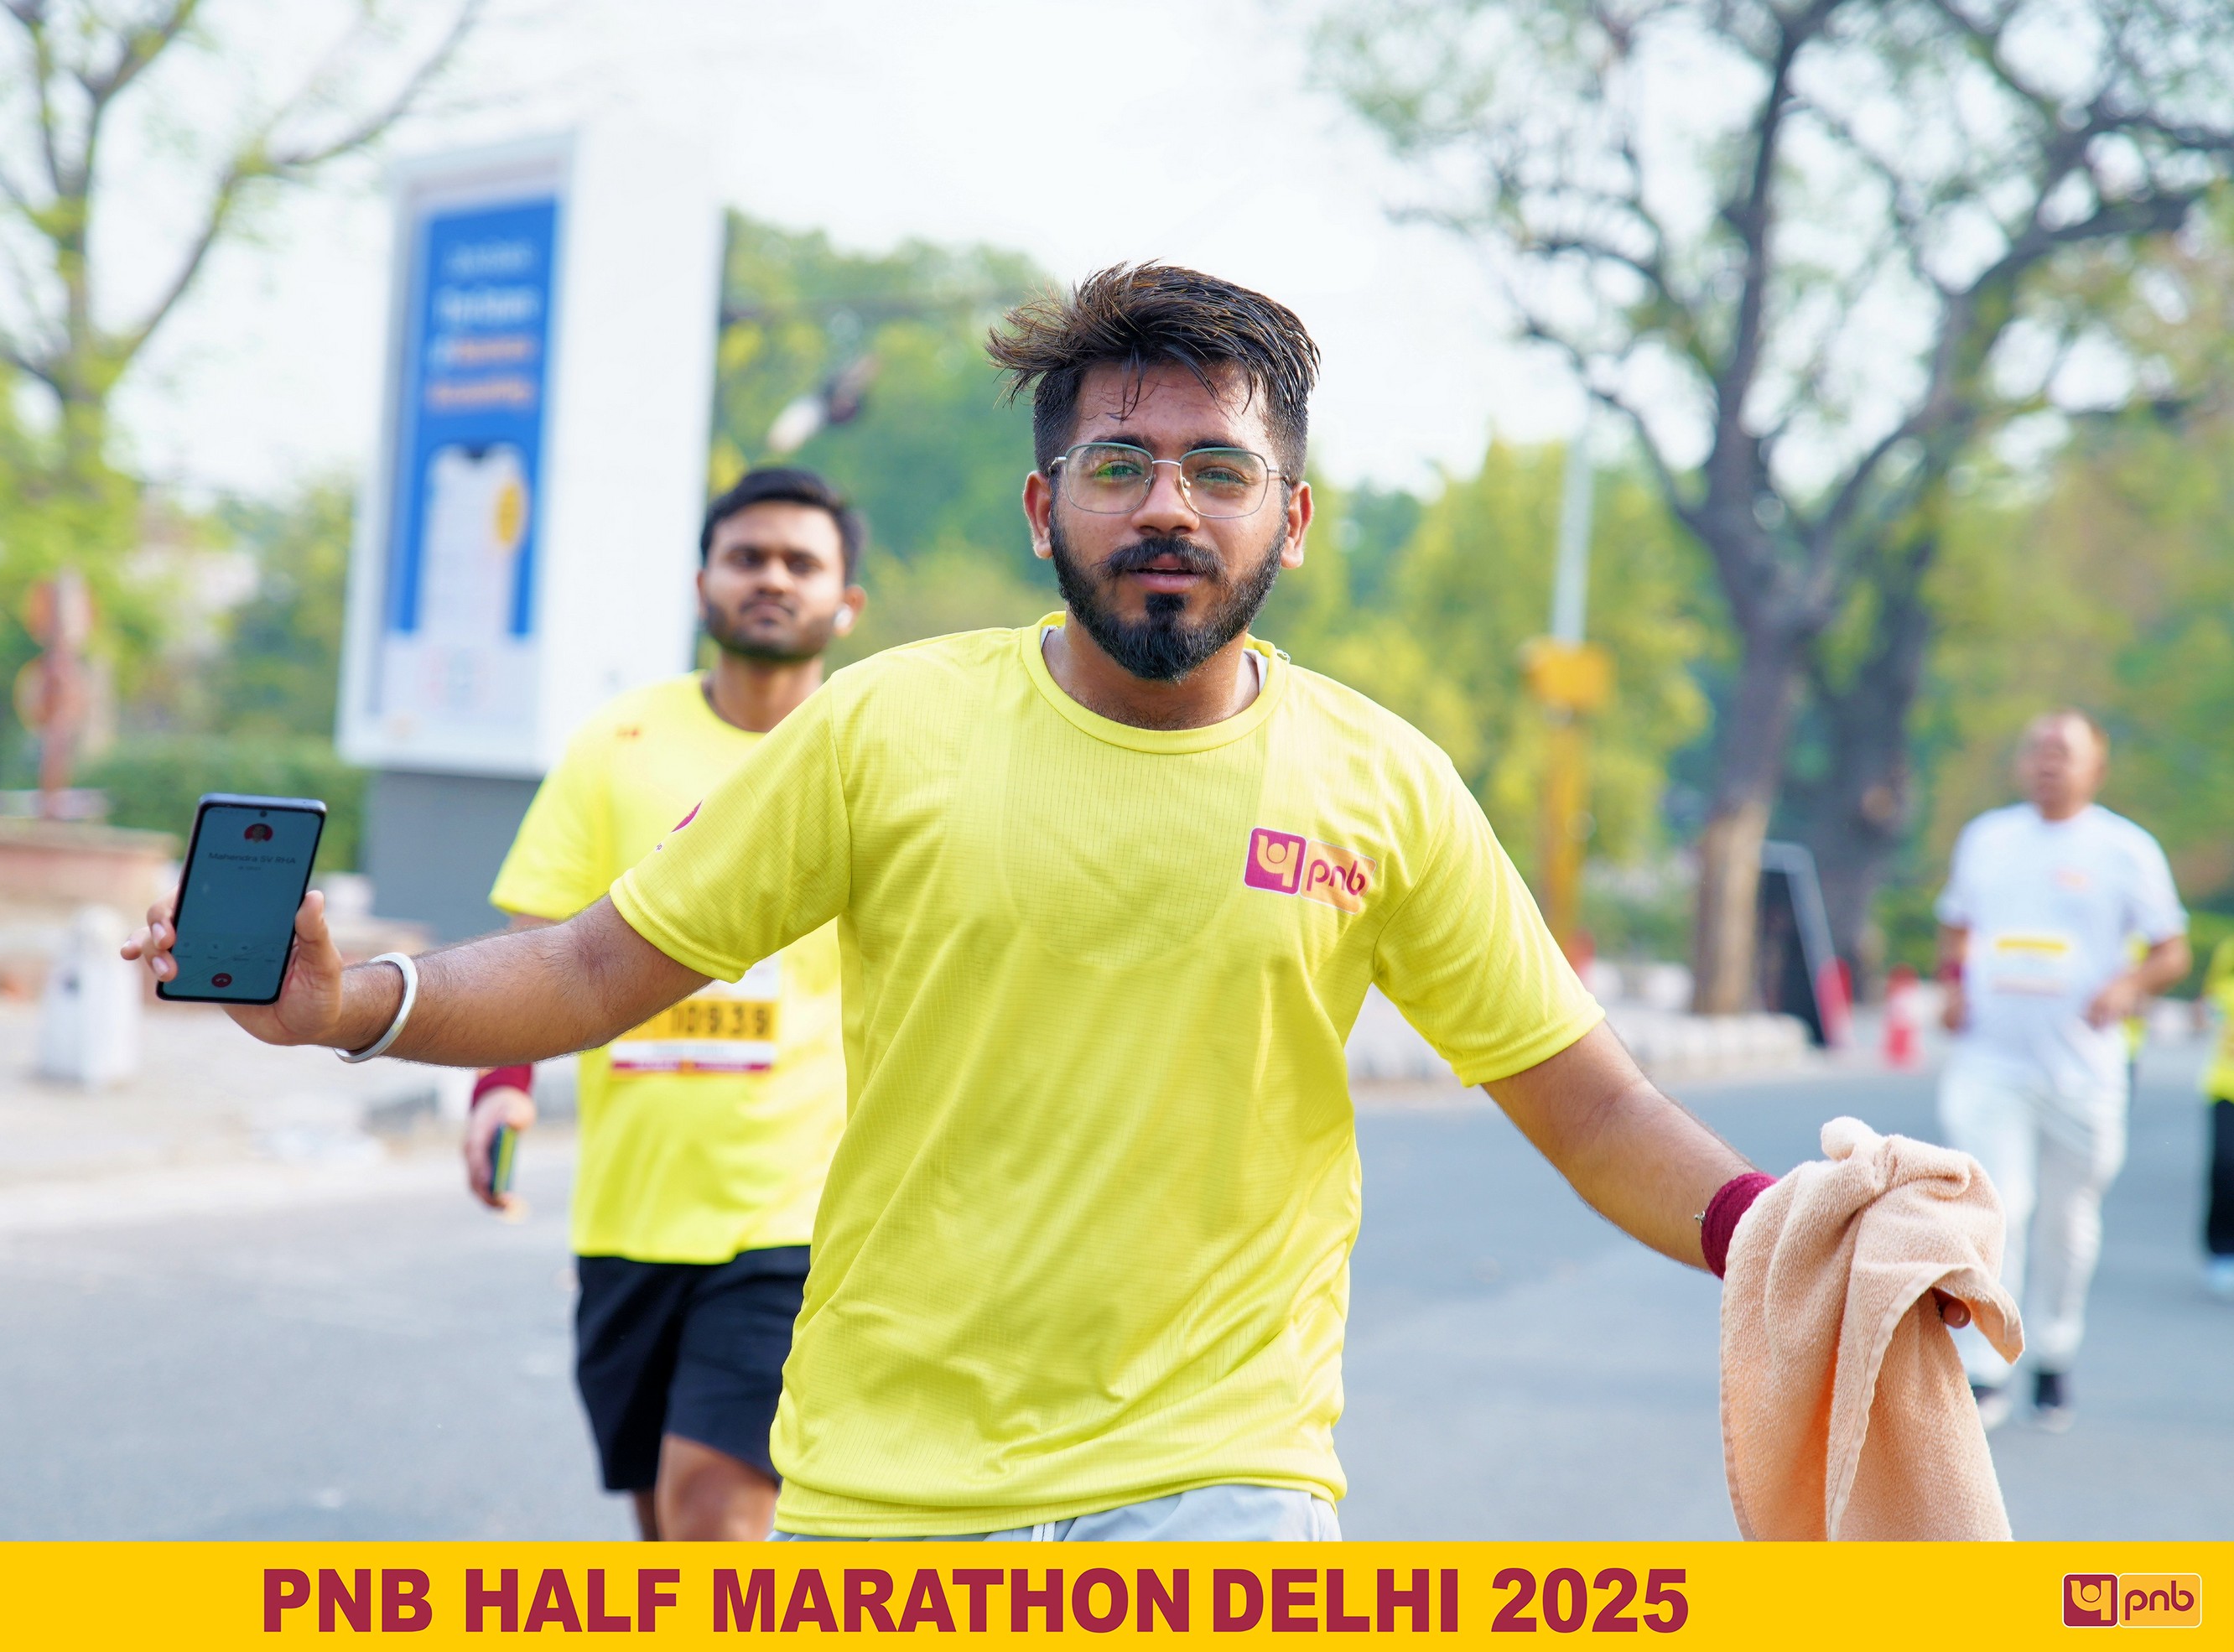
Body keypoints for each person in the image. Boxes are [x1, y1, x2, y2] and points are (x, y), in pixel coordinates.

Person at [126, 263, 1967, 1540]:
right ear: (1043, 506)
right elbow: (605, 961)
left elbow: (1587, 1105)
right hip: (882, 1492)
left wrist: (1784, 1229)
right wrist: (350, 1001)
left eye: (1220, 470)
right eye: (1121, 465)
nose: (1169, 506)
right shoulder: (886, 729)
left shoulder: (1382, 783)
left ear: (1291, 520)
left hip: (1223, 1480)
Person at [465, 465, 866, 1540]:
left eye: (800, 562)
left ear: (845, 602)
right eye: (747, 557)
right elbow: (540, 937)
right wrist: (502, 1082)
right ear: (703, 584)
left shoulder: (869, 751)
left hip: (797, 1214)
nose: (771, 578)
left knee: (715, 1511)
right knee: (663, 1526)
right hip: (630, 1215)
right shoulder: (619, 742)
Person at [1935, 710, 2191, 1431]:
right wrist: (1953, 986)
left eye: (2063, 751)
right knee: (1998, 1208)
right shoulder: (1987, 839)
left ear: (2095, 768)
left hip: (2082, 1071)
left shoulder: (2125, 850)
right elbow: (1956, 928)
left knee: (2067, 1222)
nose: (2048, 761)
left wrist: (2127, 987)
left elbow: (2171, 950)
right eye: (2037, 749)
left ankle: (2053, 1349)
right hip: (1992, 1062)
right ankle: (1987, 1366)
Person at [2201, 933, 2234, 1301]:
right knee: (2225, 1169)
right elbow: (2209, 1003)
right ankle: (2222, 1251)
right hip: (2226, 1085)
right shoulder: (2229, 948)